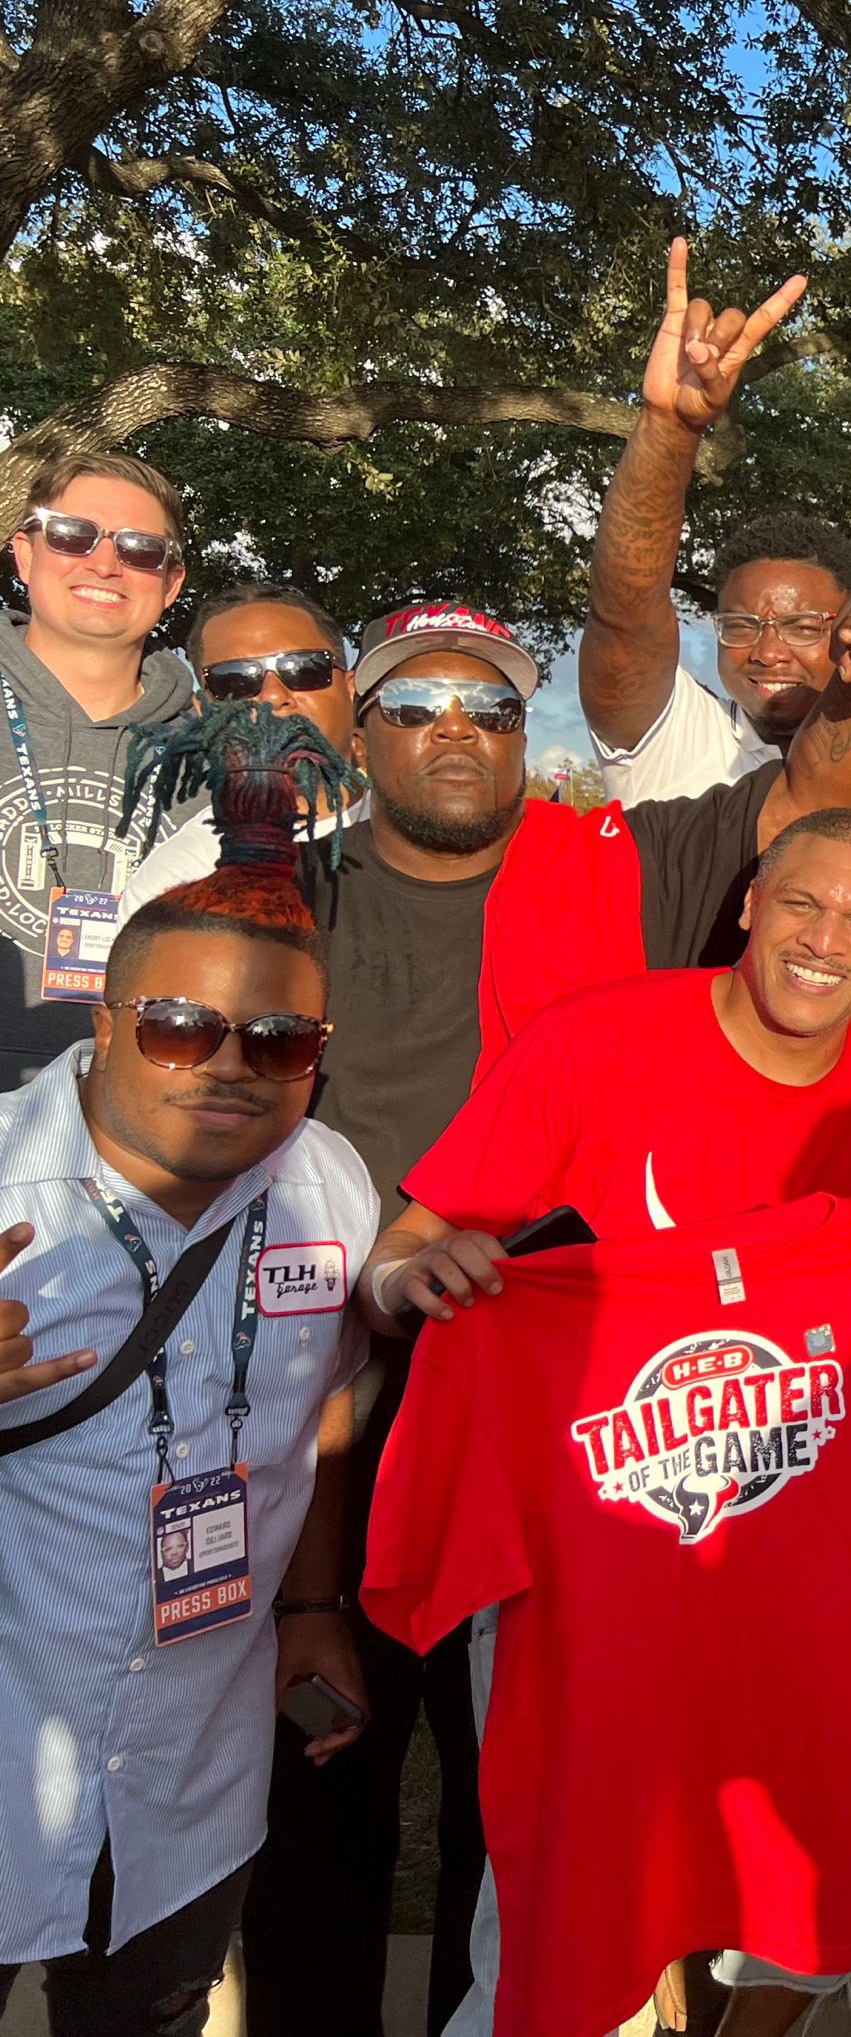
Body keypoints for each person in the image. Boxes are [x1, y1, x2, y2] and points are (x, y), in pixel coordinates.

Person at [228, 594, 851, 2037]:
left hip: (574, 1393)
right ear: (362, 725)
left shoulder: (627, 863)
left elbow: (814, 802)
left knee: (524, 1780)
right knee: (322, 1776)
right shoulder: (291, 895)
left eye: (489, 704)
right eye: (415, 705)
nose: (457, 730)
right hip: (330, 1377)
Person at [359, 807, 851, 2037]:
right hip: (599, 1568)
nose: (823, 938)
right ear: (747, 905)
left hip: (809, 1584)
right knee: (565, 1919)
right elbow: (408, 1246)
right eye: (799, 903)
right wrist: (408, 1283)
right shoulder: (600, 1039)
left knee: (788, 1894)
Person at [0, 745, 376, 2037]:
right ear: (102, 1024)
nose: (228, 1063)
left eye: (281, 1038)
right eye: (176, 1025)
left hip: (190, 1773)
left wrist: (317, 1602)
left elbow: (322, 1397)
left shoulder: (331, 1184)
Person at [574, 241, 851, 806]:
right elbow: (626, 611)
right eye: (739, 626)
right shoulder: (672, 740)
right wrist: (669, 430)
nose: (767, 651)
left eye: (805, 627)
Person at [1, 449, 197, 1081]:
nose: (105, 562)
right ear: (25, 555)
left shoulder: (219, 760)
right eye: (71, 534)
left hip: (141, 1115)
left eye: (140, 548)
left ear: (170, 584)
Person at [117, 587, 365, 916]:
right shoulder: (173, 883)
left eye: (305, 668)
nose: (274, 695)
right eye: (235, 680)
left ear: (351, 689)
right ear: (205, 713)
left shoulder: (427, 828)